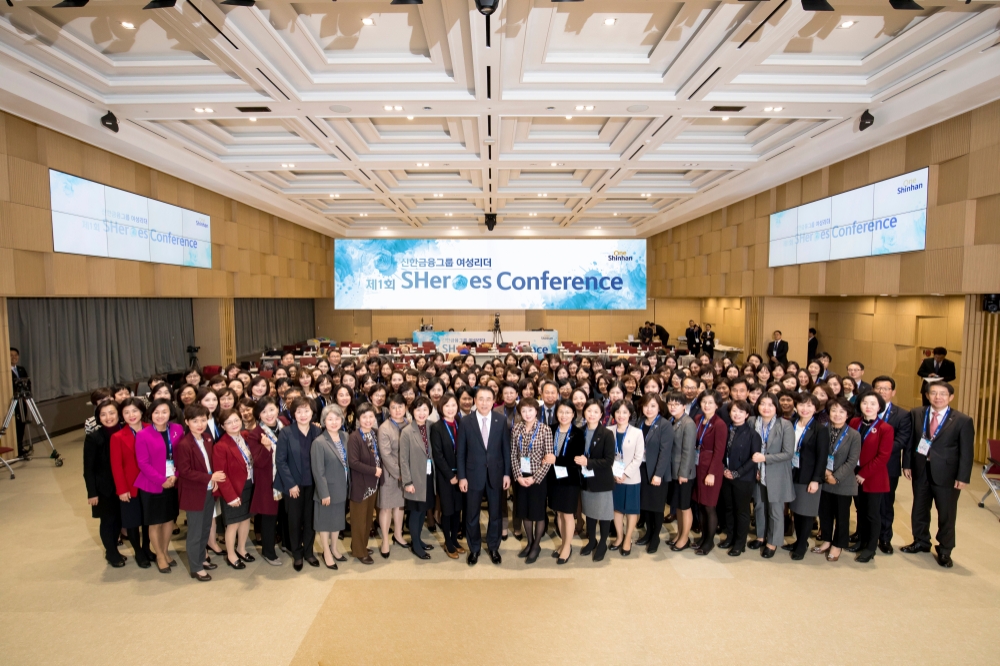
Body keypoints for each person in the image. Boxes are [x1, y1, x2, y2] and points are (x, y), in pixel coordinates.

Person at [901, 381, 975, 568]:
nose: (938, 397)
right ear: (927, 395)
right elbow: (911, 442)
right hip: (921, 469)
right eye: (933, 393)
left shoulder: (962, 420)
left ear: (950, 397)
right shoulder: (917, 413)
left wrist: (963, 477)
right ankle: (920, 541)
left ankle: (945, 550)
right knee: (919, 508)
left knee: (946, 513)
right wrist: (907, 464)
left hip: (948, 474)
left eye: (943, 394)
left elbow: (967, 452)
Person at [457, 386, 511, 567]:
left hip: (496, 473)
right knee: (472, 514)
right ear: (475, 400)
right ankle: (474, 549)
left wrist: (506, 474)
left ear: (494, 400)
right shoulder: (465, 421)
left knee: (495, 513)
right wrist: (462, 477)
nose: (484, 402)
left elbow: (506, 449)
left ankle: (494, 547)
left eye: (488, 399)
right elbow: (461, 452)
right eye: (481, 399)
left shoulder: (501, 420)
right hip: (473, 474)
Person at [174, 404, 225, 581]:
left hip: (209, 490)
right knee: (195, 532)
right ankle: (195, 567)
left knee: (205, 527)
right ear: (187, 422)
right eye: (195, 421)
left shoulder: (208, 439)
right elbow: (185, 471)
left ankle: (201, 558)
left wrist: (213, 481)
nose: (200, 424)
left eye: (203, 420)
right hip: (194, 492)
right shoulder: (184, 444)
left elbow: (211, 462)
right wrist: (210, 477)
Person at [134, 399, 183, 573]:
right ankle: (159, 555)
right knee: (155, 522)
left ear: (170, 413)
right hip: (152, 484)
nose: (160, 415)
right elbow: (143, 463)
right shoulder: (143, 434)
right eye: (156, 412)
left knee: (169, 519)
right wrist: (161, 479)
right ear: (150, 414)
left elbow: (181, 456)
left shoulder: (178, 430)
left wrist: (175, 476)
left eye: (164, 411)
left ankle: (165, 550)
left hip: (173, 482)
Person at [275, 397, 323, 571]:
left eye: (307, 411)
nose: (303, 415)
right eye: (299, 411)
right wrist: (291, 485)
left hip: (313, 484)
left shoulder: (317, 432)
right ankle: (297, 553)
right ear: (293, 413)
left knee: (310, 519)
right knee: (294, 520)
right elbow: (280, 461)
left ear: (312, 413)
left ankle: (308, 552)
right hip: (294, 486)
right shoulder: (286, 433)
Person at [847, 391, 893, 563]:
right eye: (865, 403)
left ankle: (871, 547)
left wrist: (864, 474)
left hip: (873, 477)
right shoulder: (854, 422)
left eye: (873, 403)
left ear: (879, 407)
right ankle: (861, 540)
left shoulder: (885, 428)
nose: (868, 406)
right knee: (860, 510)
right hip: (853, 474)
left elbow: (883, 456)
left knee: (873, 513)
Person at [813, 398, 861, 562]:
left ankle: (838, 544)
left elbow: (852, 461)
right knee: (824, 513)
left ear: (848, 414)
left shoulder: (854, 435)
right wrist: (826, 474)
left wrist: (836, 476)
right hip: (824, 479)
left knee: (841, 515)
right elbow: (817, 453)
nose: (837, 414)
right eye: (834, 410)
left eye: (842, 411)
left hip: (843, 482)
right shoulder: (822, 429)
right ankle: (827, 540)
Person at [749, 394, 795, 557]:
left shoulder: (785, 425)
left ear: (777, 407)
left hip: (776, 473)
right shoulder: (752, 422)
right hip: (757, 472)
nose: (766, 408)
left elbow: (789, 453)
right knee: (759, 506)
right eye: (762, 404)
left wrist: (765, 458)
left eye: (770, 404)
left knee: (775, 509)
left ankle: (773, 542)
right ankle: (761, 536)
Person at [110, 397, 153, 568]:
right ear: (122, 416)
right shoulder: (118, 437)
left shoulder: (152, 429)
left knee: (149, 519)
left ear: (142, 412)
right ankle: (139, 552)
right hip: (131, 486)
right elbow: (116, 466)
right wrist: (121, 489)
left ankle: (147, 548)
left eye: (135, 411)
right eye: (126, 412)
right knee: (133, 521)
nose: (131, 415)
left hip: (151, 483)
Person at [871, 376, 912, 554]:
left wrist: (878, 449)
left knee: (886, 504)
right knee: (865, 503)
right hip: (866, 465)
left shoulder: (902, 415)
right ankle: (864, 534)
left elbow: (902, 440)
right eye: (878, 388)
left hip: (888, 466)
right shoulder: (866, 409)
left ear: (893, 392)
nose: (882, 392)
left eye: (886, 389)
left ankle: (885, 538)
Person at [509, 397, 554, 564]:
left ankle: (536, 545)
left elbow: (548, 459)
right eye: (524, 410)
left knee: (537, 512)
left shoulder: (545, 430)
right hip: (521, 476)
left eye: (530, 410)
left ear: (536, 411)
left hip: (538, 478)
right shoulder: (516, 429)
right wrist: (518, 476)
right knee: (524, 511)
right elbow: (513, 454)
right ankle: (529, 542)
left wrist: (534, 478)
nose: (527, 414)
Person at [83, 399, 126, 568]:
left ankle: (113, 550)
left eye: (112, 413)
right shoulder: (93, 438)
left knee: (119, 520)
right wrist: (92, 492)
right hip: (104, 488)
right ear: (98, 417)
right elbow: (88, 468)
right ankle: (111, 552)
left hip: (123, 486)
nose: (108, 417)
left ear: (119, 414)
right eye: (103, 414)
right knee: (108, 521)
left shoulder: (126, 431)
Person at [718, 400, 761, 557]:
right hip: (725, 475)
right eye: (734, 411)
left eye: (741, 412)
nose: (737, 414)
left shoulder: (752, 435)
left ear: (747, 415)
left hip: (744, 478)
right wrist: (724, 469)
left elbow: (754, 459)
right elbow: (720, 452)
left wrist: (737, 473)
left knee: (741, 511)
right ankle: (730, 537)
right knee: (728, 508)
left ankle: (739, 543)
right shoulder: (725, 430)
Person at [214, 408, 255, 570]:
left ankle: (241, 548)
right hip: (233, 489)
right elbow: (221, 474)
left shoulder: (244, 437)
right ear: (223, 426)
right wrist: (230, 496)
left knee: (245, 519)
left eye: (236, 420)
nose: (233, 424)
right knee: (233, 524)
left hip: (248, 484)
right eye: (228, 422)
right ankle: (231, 554)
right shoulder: (221, 446)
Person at [786, 395, 826, 560]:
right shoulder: (790, 424)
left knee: (806, 512)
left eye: (810, 406)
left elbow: (822, 457)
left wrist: (816, 479)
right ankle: (798, 540)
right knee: (795, 509)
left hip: (808, 476)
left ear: (815, 409)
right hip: (791, 473)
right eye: (802, 404)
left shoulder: (820, 429)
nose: (805, 408)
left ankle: (802, 545)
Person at [245, 397, 283, 566]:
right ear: (258, 415)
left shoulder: (285, 426)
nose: (269, 415)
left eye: (271, 409)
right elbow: (258, 462)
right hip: (267, 481)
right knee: (268, 517)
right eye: (264, 412)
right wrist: (267, 448)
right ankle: (268, 552)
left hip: (285, 478)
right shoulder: (255, 435)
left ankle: (285, 544)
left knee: (284, 515)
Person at [576, 400, 616, 562]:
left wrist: (588, 463)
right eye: (589, 411)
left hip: (602, 481)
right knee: (590, 513)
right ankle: (592, 540)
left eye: (595, 412)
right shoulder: (579, 432)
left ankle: (603, 544)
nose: (591, 414)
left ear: (601, 415)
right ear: (584, 413)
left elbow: (609, 461)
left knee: (604, 514)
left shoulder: (607, 434)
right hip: (585, 480)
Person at [312, 405, 350, 570]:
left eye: (337, 418)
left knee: (337, 522)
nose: (334, 422)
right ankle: (326, 551)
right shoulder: (319, 442)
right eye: (330, 419)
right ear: (324, 421)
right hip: (327, 491)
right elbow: (318, 472)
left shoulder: (345, 436)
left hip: (342, 487)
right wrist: (323, 493)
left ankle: (334, 548)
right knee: (325, 524)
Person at [634, 394, 673, 554]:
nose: (648, 409)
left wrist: (658, 474)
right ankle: (648, 532)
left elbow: (665, 452)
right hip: (642, 468)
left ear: (659, 408)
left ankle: (655, 537)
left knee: (656, 506)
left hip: (657, 471)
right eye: (646, 406)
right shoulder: (640, 422)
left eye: (652, 406)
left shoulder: (665, 425)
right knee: (645, 505)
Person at [400, 397, 438, 560]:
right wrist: (407, 482)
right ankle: (415, 545)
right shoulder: (407, 431)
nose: (421, 413)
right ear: (412, 411)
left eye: (425, 409)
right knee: (415, 513)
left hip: (429, 476)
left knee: (423, 511)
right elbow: (403, 459)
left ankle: (419, 540)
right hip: (415, 479)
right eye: (418, 410)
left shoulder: (432, 427)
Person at [347, 403, 383, 565]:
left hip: (373, 484)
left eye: (371, 417)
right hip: (361, 484)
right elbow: (353, 462)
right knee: (358, 520)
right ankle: (359, 552)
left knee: (368, 518)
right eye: (364, 417)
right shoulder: (354, 437)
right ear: (358, 419)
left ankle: (360, 545)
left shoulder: (375, 433)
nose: (368, 420)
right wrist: (373, 470)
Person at [431, 393, 466, 558]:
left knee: (458, 509)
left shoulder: (461, 423)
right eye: (447, 406)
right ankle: (448, 542)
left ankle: (454, 539)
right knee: (448, 510)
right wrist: (450, 476)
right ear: (441, 408)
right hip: (446, 476)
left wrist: (461, 473)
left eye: (453, 405)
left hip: (461, 474)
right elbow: (437, 455)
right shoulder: (437, 427)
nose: (451, 409)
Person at [549, 400, 584, 563]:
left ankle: (567, 546)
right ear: (557, 413)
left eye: (568, 412)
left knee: (568, 514)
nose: (564, 415)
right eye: (561, 412)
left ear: (573, 414)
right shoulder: (551, 429)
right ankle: (563, 543)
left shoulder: (578, 433)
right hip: (554, 478)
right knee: (559, 513)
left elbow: (575, 460)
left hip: (570, 480)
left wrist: (556, 459)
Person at [607, 399, 643, 556]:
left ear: (630, 414)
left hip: (631, 477)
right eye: (618, 412)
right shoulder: (608, 431)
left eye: (624, 412)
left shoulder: (637, 432)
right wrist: (614, 473)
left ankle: (628, 538)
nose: (621, 415)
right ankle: (619, 537)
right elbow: (606, 455)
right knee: (616, 509)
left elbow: (638, 457)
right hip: (613, 477)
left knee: (631, 510)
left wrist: (625, 473)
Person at [692, 392, 726, 556]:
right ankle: (703, 537)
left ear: (717, 405)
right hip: (698, 465)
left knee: (709, 506)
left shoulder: (719, 424)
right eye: (704, 402)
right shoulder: (698, 419)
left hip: (711, 468)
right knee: (700, 504)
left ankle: (709, 542)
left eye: (710, 402)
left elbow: (719, 451)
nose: (706, 405)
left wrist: (712, 472)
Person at [376, 394, 408, 558]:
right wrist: (399, 474)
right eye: (394, 407)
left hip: (406, 473)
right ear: (389, 409)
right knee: (386, 507)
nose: (397, 410)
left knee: (400, 505)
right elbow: (386, 455)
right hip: (390, 474)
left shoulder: (409, 424)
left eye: (400, 407)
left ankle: (398, 534)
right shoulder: (385, 427)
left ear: (406, 408)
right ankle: (385, 541)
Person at [665, 392, 696, 551]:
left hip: (684, 473)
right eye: (670, 403)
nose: (672, 407)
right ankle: (679, 533)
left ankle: (685, 538)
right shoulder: (673, 420)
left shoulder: (688, 423)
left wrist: (683, 473)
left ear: (684, 406)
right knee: (677, 505)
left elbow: (688, 451)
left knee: (685, 506)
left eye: (676, 404)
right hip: (673, 471)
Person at [10, 347, 29, 457]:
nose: (14, 357)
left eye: (16, 355)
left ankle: (20, 447)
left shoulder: (21, 369)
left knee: (22, 423)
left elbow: (28, 382)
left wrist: (27, 395)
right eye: (11, 355)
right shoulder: (5, 371)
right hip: (13, 401)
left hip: (23, 400)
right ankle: (15, 448)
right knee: (15, 425)